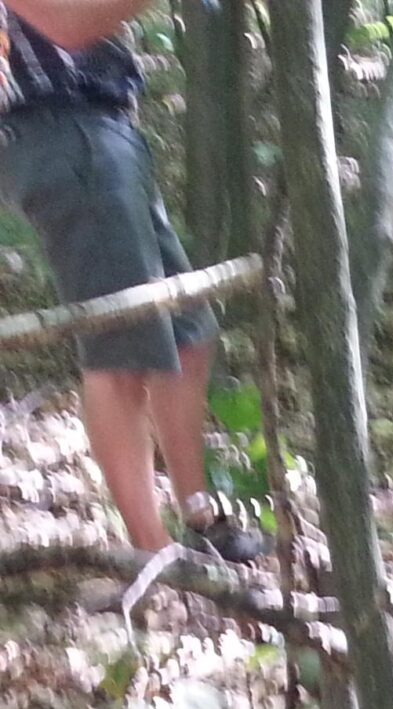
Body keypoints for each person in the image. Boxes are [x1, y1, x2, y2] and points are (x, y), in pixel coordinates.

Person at [1, 0, 264, 562]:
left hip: (102, 128)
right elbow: (66, 25)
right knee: (120, 348)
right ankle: (154, 553)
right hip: (59, 132)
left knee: (188, 332)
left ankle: (197, 511)